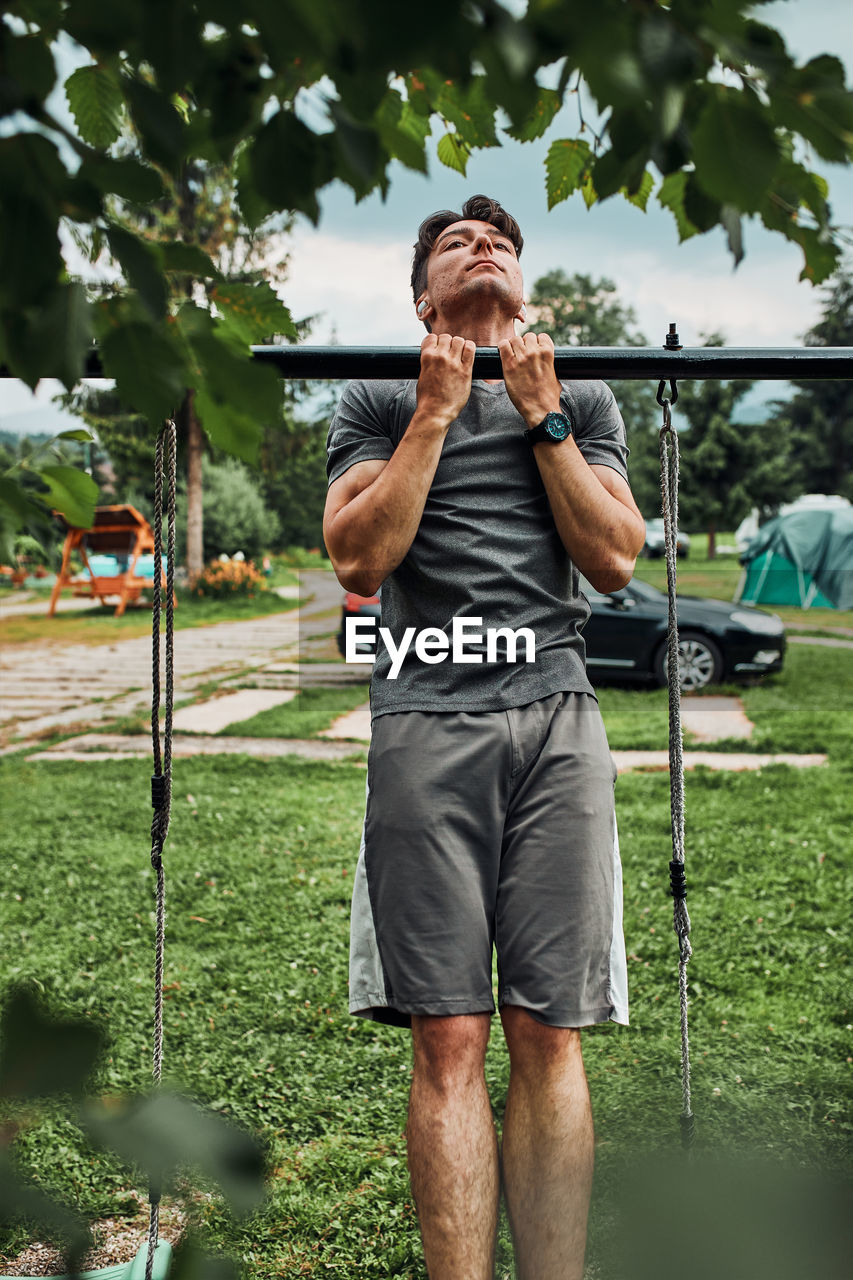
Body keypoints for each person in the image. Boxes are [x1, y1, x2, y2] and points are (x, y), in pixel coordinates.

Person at [322, 194, 645, 1280]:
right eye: (457, 242)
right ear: (422, 296)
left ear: (526, 281)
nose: (483, 246)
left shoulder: (580, 394)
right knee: (449, 1035)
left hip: (556, 721)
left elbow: (612, 560)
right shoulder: (378, 389)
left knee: (550, 1031)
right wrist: (433, 413)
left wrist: (543, 414)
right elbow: (358, 562)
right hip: (423, 717)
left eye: (500, 239)